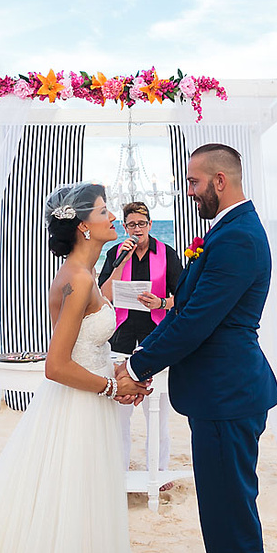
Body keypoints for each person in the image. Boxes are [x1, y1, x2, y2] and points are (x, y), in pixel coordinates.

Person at [0, 182, 149, 553]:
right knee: (75, 498)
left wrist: (122, 371)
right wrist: (112, 388)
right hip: (80, 406)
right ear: (84, 226)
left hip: (90, 399)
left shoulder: (82, 274)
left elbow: (90, 346)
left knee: (84, 499)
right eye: (104, 211)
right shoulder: (79, 279)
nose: (113, 217)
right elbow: (55, 365)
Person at [117, 144, 277, 553]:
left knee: (231, 518)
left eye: (194, 181)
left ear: (220, 181)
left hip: (227, 394)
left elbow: (196, 322)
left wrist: (137, 369)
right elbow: (182, 310)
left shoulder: (239, 236)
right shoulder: (227, 229)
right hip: (217, 394)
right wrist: (141, 363)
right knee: (220, 511)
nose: (189, 191)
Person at [98, 201, 182, 488]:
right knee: (120, 411)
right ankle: (117, 471)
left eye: (142, 224)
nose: (137, 230)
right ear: (124, 227)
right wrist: (119, 263)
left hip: (155, 337)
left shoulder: (166, 254)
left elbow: (185, 299)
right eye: (131, 225)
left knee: (156, 410)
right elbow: (102, 296)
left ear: (150, 224)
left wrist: (161, 302)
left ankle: (158, 472)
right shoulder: (116, 253)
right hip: (120, 336)